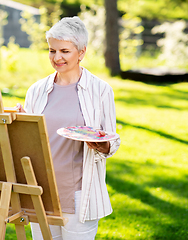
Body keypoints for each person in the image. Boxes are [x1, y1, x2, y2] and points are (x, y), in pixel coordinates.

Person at [16, 16, 121, 240]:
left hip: (79, 194)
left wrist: (102, 145)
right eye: (52, 50)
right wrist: (22, 122)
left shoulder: (100, 91)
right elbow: (30, 142)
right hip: (41, 190)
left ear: (81, 52)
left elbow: (111, 141)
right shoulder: (37, 90)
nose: (57, 57)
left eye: (64, 51)